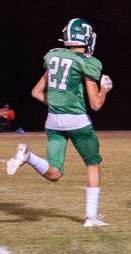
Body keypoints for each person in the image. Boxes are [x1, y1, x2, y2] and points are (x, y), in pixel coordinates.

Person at [5, 18, 113, 227]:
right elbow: (96, 104)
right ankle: (91, 218)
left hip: (53, 121)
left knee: (54, 173)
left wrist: (58, 104)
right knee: (93, 164)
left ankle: (28, 156)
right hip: (78, 121)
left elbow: (36, 93)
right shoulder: (85, 62)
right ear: (86, 38)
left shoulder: (53, 57)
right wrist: (105, 89)